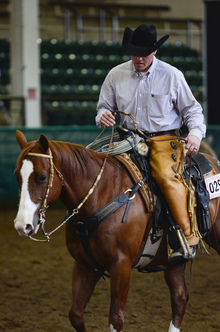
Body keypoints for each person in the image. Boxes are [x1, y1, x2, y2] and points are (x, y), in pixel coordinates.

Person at [95, 23, 206, 260]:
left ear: (154, 51)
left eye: (144, 53)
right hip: (126, 139)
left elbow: (192, 111)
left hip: (164, 141)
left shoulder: (172, 75)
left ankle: (187, 239)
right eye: (134, 53)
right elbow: (104, 106)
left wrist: (195, 133)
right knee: (93, 166)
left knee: (166, 177)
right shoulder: (115, 74)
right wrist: (102, 115)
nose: (138, 58)